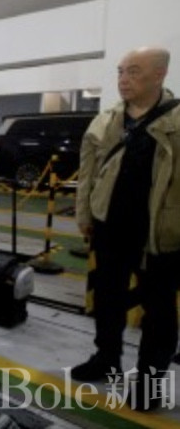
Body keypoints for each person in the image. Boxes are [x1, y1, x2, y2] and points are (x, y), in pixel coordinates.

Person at [74, 46, 180, 411]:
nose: (123, 79)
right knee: (107, 299)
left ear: (159, 74)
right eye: (120, 71)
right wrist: (85, 215)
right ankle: (106, 358)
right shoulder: (107, 121)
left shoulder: (176, 122)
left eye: (133, 71)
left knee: (159, 311)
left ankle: (150, 383)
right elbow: (88, 172)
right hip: (110, 227)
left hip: (160, 234)